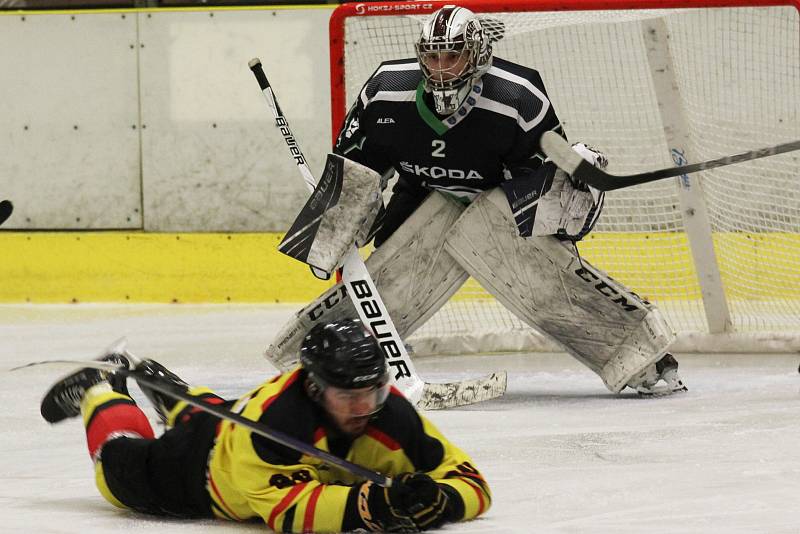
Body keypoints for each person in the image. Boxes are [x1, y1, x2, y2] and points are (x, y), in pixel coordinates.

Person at [266, 4, 686, 397]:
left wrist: (571, 189)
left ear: (478, 55)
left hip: (495, 198)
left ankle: (638, 357)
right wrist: (334, 226)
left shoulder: (518, 97)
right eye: (432, 57)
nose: (441, 68)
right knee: (389, 279)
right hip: (423, 191)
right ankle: (321, 364)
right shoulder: (385, 90)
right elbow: (358, 171)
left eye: (453, 57)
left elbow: (538, 184)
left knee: (543, 280)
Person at [39, 319, 491, 532]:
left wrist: (444, 499)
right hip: (202, 473)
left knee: (213, 412)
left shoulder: (390, 414)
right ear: (314, 389)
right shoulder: (275, 424)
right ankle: (102, 385)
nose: (363, 408)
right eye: (349, 396)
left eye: (372, 392)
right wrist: (372, 506)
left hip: (234, 422)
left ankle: (156, 380)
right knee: (116, 468)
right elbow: (289, 512)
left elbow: (471, 481)